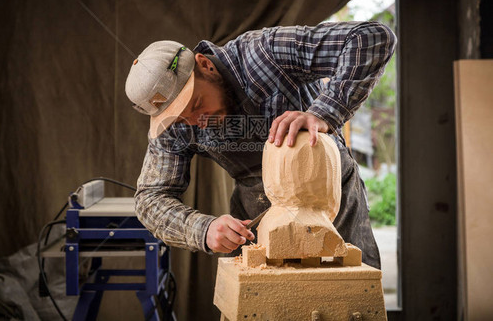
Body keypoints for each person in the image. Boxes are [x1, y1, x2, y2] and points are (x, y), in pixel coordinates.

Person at [125, 21, 396, 268]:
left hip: (328, 198)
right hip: (256, 210)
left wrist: (323, 112)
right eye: (182, 120)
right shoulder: (171, 128)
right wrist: (203, 229)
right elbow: (151, 199)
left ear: (205, 65)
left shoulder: (263, 53)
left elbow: (371, 38)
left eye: (196, 105)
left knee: (351, 294)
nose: (198, 121)